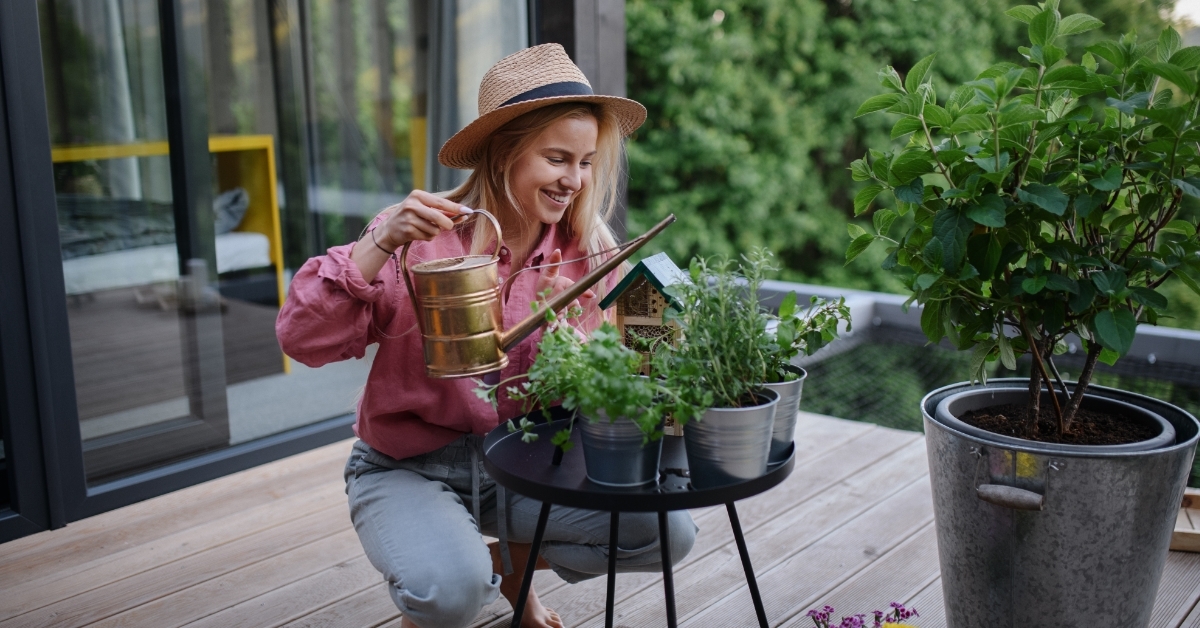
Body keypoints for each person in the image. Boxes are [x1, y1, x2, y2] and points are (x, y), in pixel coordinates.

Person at [276, 44, 697, 628]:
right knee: (449, 597)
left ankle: (497, 569)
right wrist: (378, 245)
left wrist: (668, 340)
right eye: (557, 159)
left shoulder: (591, 252)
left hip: (528, 467)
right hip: (409, 466)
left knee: (666, 531)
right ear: (505, 153)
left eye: (586, 161)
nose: (575, 180)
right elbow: (301, 337)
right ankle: (453, 578)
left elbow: (654, 360)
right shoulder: (418, 238)